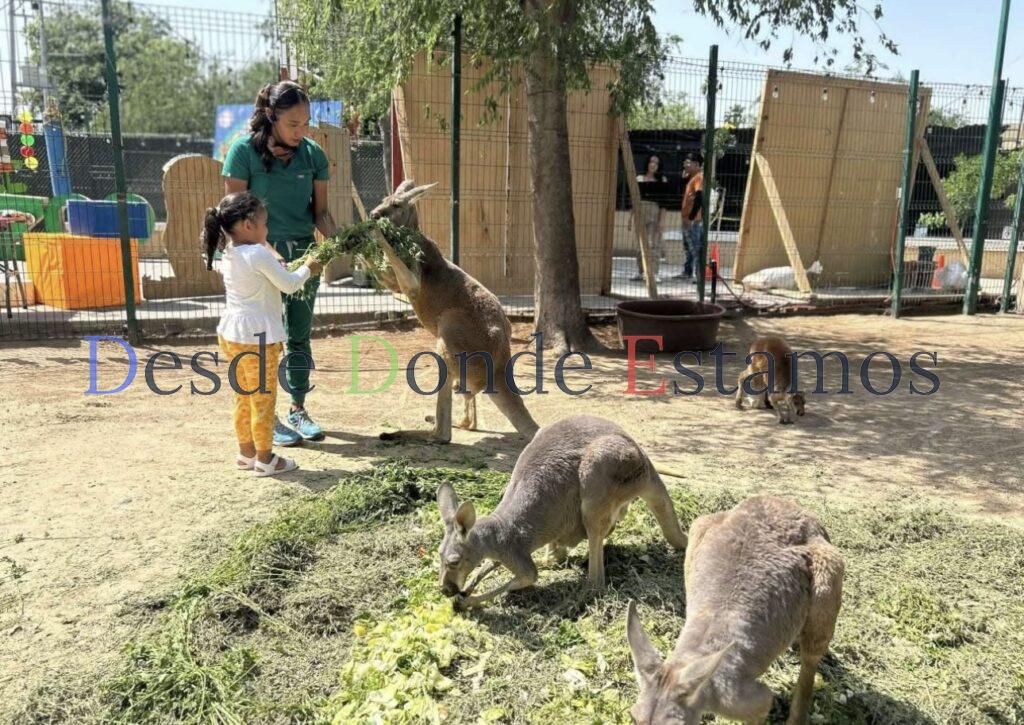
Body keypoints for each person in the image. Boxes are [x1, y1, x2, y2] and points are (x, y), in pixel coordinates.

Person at [222, 81, 337, 447]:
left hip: (302, 253)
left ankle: (297, 408)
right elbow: (236, 218)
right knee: (263, 340)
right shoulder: (242, 152)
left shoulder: (313, 155)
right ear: (271, 116)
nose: (302, 132)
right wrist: (269, 255)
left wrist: (339, 243)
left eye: (306, 123)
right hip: (259, 260)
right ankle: (265, 416)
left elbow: (320, 214)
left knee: (298, 335)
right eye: (293, 124)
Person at [202, 191, 323, 477]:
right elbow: (290, 285)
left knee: (243, 397)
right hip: (258, 338)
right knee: (263, 400)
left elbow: (265, 278)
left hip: (232, 334)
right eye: (264, 224)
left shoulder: (229, 252)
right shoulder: (257, 252)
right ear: (247, 225)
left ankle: (247, 454)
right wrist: (310, 267)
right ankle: (266, 459)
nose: (267, 230)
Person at [631, 154, 668, 282]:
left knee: (654, 244)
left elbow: (664, 202)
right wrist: (631, 218)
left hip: (654, 212)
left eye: (656, 163)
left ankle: (654, 273)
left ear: (659, 166)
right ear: (647, 163)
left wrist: (662, 220)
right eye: (651, 161)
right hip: (640, 212)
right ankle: (641, 272)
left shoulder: (662, 180)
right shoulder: (639, 178)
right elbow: (635, 200)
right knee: (640, 244)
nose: (653, 164)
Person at [675, 152, 705, 282]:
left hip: (693, 220)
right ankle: (688, 272)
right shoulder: (692, 177)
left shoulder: (699, 177)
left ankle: (699, 276)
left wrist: (691, 218)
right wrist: (684, 179)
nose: (684, 165)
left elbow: (699, 197)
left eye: (687, 162)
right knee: (688, 247)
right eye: (684, 162)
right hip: (687, 218)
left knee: (695, 248)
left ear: (696, 164)